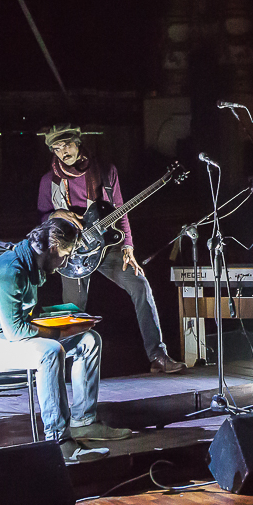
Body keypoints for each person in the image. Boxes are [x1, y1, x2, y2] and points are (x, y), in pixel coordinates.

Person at [0, 217, 131, 462]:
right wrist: (59, 333)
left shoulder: (27, 262)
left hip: (5, 336)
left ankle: (84, 421)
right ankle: (58, 439)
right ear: (53, 248)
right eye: (65, 255)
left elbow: (24, 317)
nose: (65, 262)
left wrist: (70, 320)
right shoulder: (12, 270)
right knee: (50, 351)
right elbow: (15, 331)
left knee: (88, 340)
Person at [37, 124, 186, 374]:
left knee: (140, 285)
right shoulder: (48, 181)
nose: (63, 151)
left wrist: (128, 244)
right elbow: (41, 219)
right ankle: (69, 369)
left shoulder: (105, 171)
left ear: (78, 141)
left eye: (67, 144)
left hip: (107, 246)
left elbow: (121, 209)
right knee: (73, 313)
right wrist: (56, 213)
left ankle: (158, 356)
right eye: (56, 148)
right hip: (71, 254)